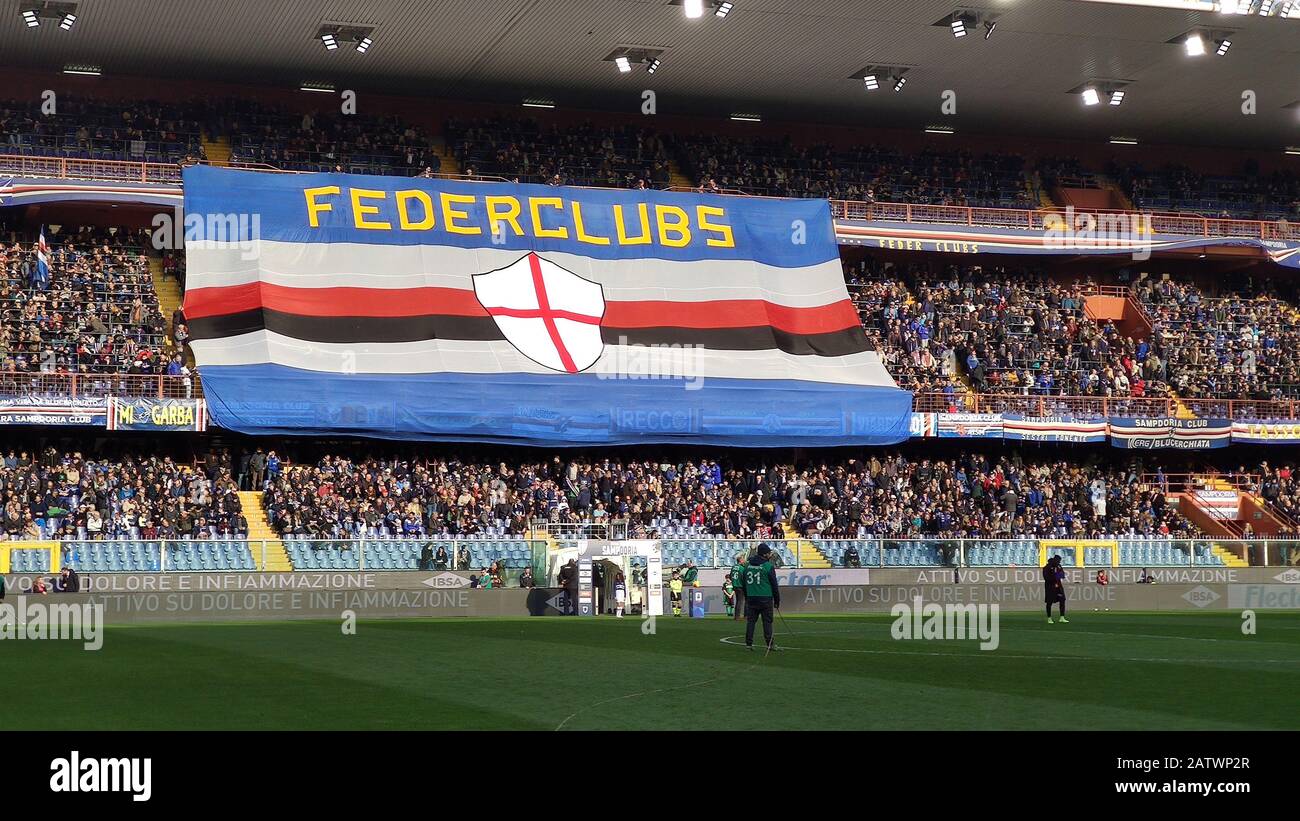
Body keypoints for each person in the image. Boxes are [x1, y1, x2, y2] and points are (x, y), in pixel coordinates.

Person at [742, 543, 781, 650]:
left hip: (751, 597)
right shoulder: (768, 566)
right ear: (765, 554)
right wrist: (777, 600)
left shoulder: (747, 565)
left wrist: (747, 596)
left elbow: (744, 583)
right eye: (768, 553)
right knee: (767, 622)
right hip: (765, 598)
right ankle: (770, 644)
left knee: (751, 622)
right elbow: (774, 585)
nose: (770, 555)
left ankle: (748, 644)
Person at [1043, 555, 1068, 624]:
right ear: (1054, 560)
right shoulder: (1046, 568)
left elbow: (1062, 575)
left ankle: (1062, 617)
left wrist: (1057, 575)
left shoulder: (1058, 566)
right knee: (1049, 602)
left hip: (1058, 586)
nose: (1059, 562)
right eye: (1058, 561)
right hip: (1050, 587)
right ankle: (1049, 618)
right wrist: (1055, 577)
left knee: (1062, 599)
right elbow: (1046, 578)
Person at [729, 552, 747, 621]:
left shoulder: (733, 567)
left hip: (735, 585)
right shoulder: (742, 568)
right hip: (741, 586)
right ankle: (744, 616)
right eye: (743, 560)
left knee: (738, 601)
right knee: (743, 601)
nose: (744, 561)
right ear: (741, 561)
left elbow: (730, 576)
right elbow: (744, 578)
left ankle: (736, 616)